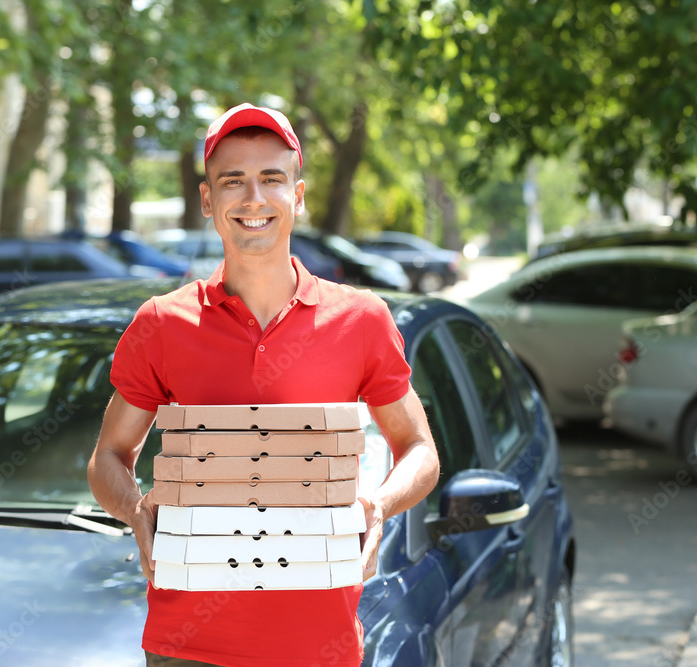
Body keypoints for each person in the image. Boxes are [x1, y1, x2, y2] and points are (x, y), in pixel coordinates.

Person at [86, 103, 440, 667]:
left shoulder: (362, 319)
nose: (254, 198)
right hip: (185, 649)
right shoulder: (161, 322)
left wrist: (378, 504)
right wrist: (135, 509)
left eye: (272, 179)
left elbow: (420, 450)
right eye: (234, 181)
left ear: (297, 196)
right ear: (208, 201)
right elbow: (109, 454)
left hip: (317, 648)